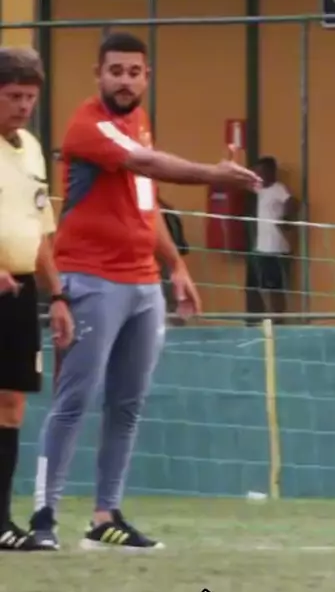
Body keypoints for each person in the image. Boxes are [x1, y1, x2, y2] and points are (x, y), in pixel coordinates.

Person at [28, 32, 261, 552]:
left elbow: (145, 203)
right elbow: (149, 166)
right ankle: (44, 516)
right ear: (98, 74)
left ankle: (105, 516)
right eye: (116, 71)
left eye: (134, 72)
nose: (125, 81)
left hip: (143, 285)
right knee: (74, 400)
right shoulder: (88, 126)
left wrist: (176, 266)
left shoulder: (139, 124)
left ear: (147, 77)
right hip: (91, 279)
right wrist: (214, 174)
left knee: (127, 404)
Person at [0, 47, 74, 551]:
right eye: (13, 96)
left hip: (20, 290)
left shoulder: (30, 148)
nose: (23, 106)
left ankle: (1, 522)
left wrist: (59, 294)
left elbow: (40, 228)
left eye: (29, 97)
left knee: (11, 404)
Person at [246, 156, 297, 324]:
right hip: (261, 248)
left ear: (271, 172)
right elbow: (243, 184)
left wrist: (286, 219)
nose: (258, 175)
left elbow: (292, 202)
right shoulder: (261, 189)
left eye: (261, 172)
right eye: (257, 172)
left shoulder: (278, 188)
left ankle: (278, 321)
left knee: (276, 288)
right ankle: (264, 319)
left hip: (276, 248)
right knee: (260, 287)